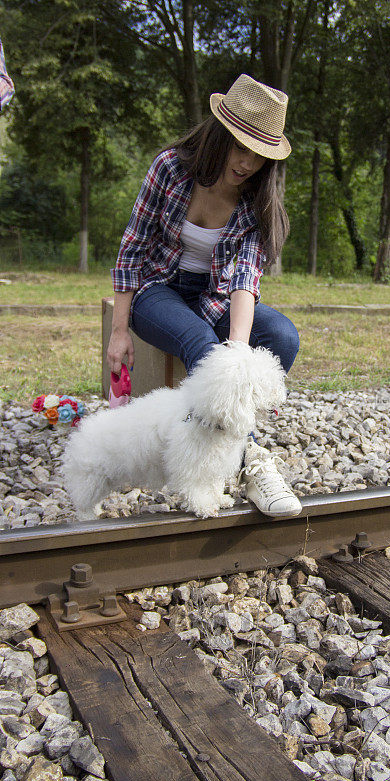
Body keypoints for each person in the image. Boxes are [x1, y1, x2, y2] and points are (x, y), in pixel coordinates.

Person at [108, 73, 302, 518]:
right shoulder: (170, 169)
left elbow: (243, 278)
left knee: (283, 337)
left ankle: (224, 442)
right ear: (220, 134)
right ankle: (248, 459)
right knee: (202, 345)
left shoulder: (257, 201)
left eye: (260, 155)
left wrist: (237, 351)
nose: (247, 163)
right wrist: (120, 331)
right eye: (240, 147)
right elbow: (131, 248)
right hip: (157, 290)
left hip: (214, 296)